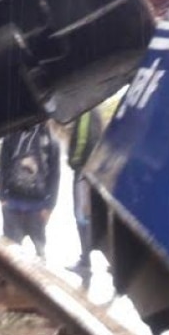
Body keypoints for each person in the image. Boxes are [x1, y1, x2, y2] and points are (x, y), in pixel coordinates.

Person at [0, 121, 60, 258]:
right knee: (9, 253)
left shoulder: (51, 141)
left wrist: (50, 206)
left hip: (38, 209)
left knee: (40, 252)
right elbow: (3, 166)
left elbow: (55, 175)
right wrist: (2, 197)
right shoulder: (12, 135)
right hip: (12, 205)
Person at [66, 106, 106, 279]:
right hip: (95, 171)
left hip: (83, 172)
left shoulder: (85, 112)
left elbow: (82, 140)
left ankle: (85, 263)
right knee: (92, 214)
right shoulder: (97, 111)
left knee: (81, 216)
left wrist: (73, 161)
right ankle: (93, 257)